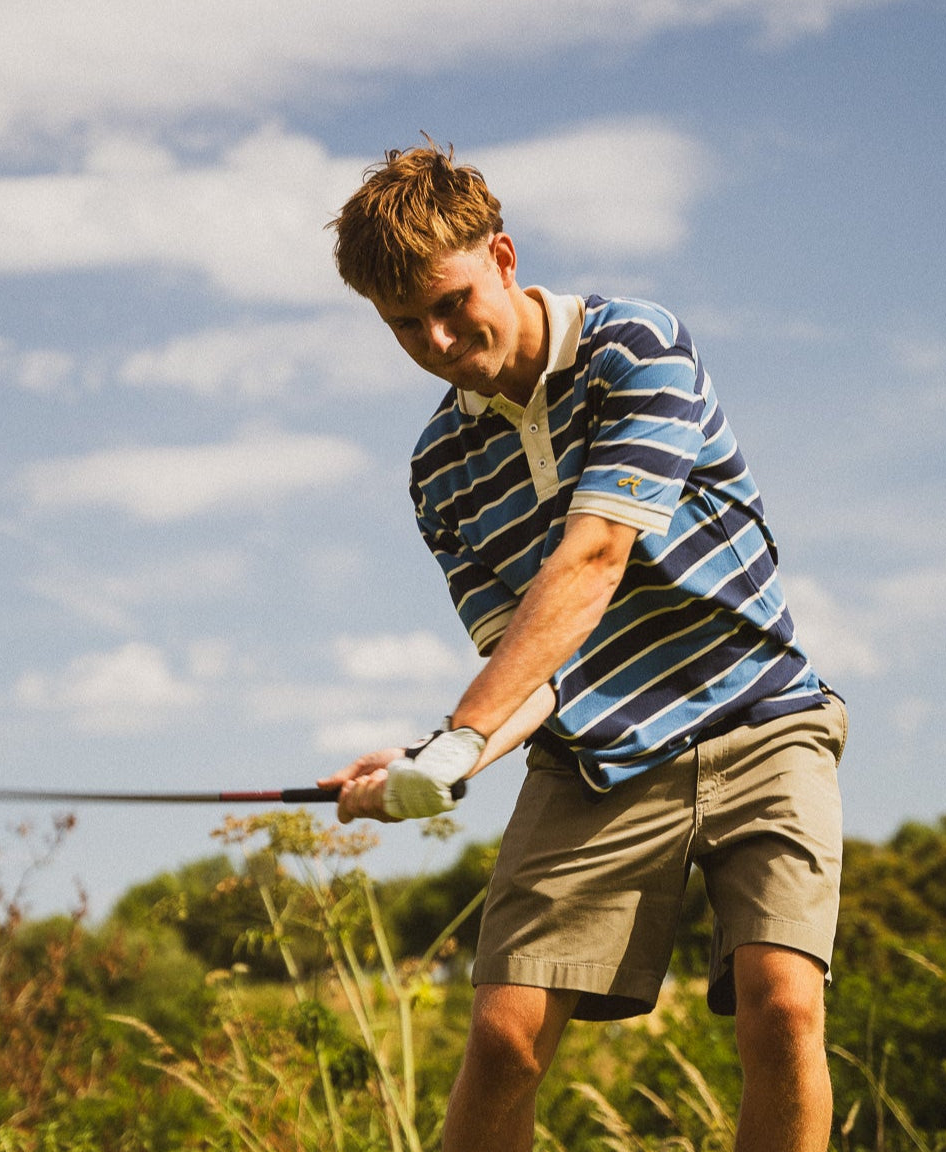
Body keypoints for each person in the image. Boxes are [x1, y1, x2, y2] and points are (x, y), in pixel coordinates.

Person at [319, 139, 847, 1152]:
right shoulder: (440, 470)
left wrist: (456, 740)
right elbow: (539, 671)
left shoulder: (633, 345)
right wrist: (437, 760)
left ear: (504, 258)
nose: (434, 338)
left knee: (781, 1005)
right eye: (401, 325)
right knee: (504, 1044)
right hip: (599, 759)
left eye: (450, 301)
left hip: (760, 721)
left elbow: (595, 557)